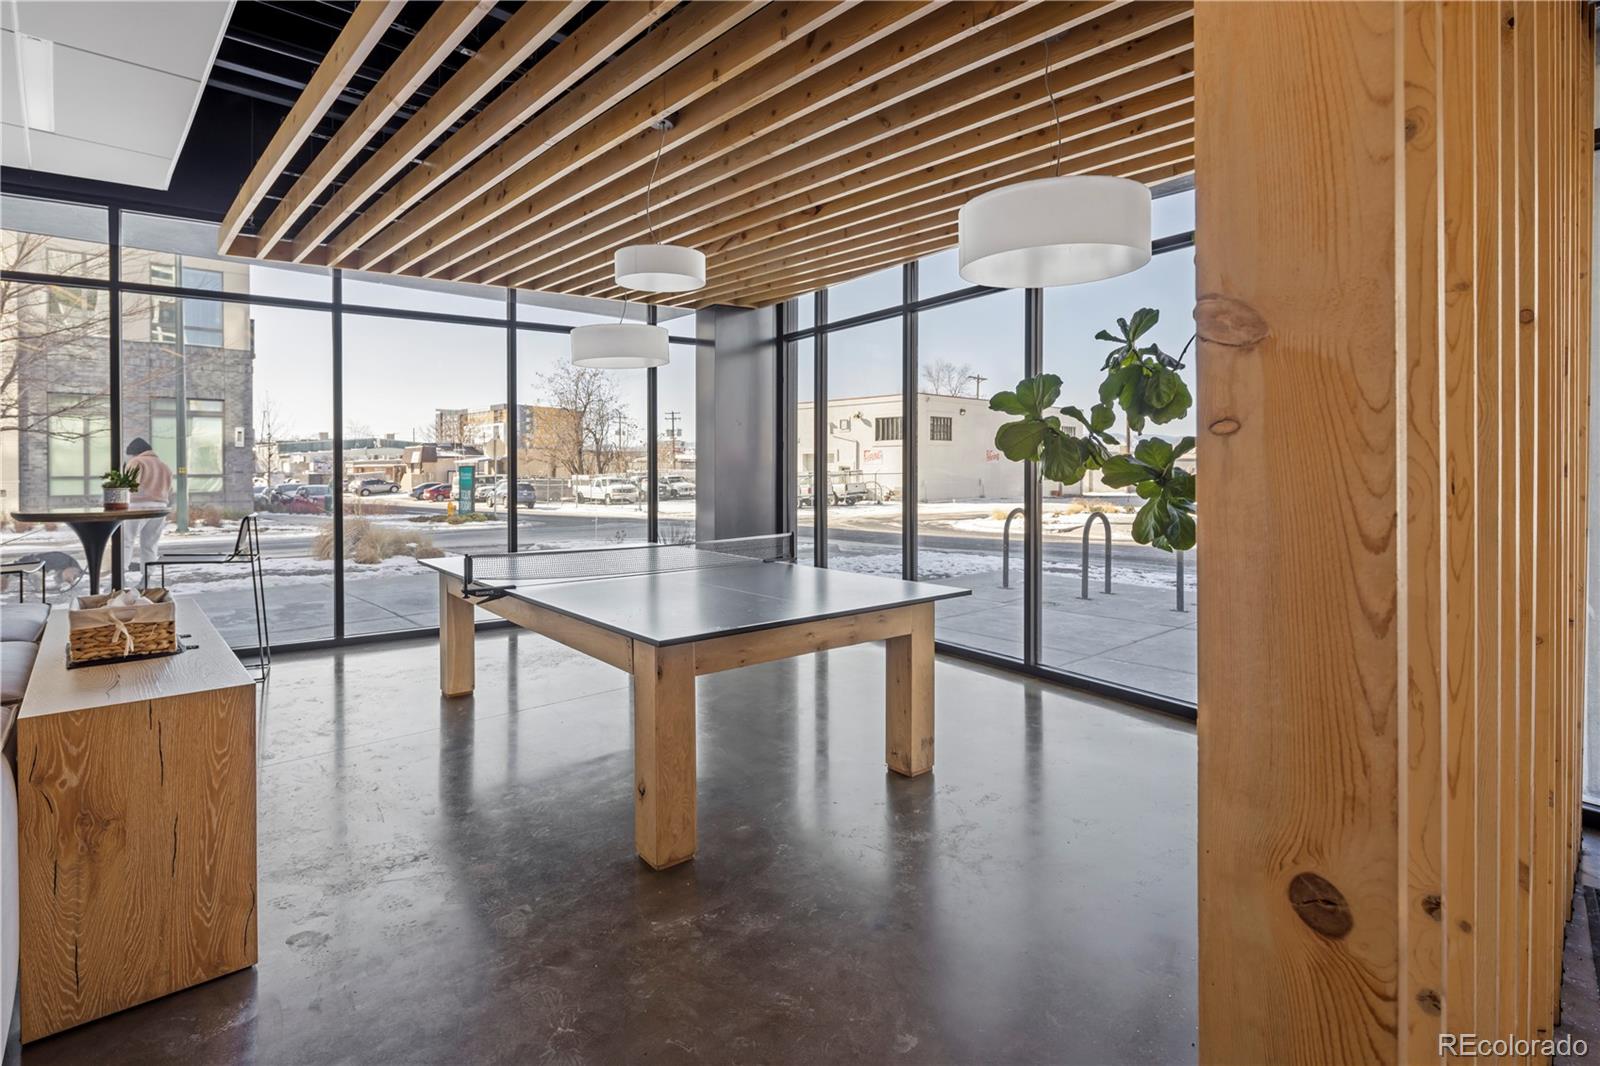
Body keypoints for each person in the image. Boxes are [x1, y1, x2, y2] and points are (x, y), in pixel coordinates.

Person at [122, 437, 173, 576]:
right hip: (160, 508)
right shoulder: (164, 466)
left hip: (137, 506)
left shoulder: (136, 462)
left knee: (126, 540)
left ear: (135, 452)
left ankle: (120, 574)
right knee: (150, 544)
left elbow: (130, 486)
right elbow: (169, 489)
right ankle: (147, 577)